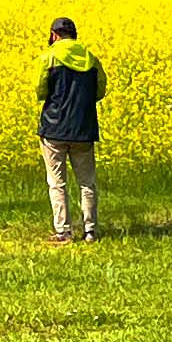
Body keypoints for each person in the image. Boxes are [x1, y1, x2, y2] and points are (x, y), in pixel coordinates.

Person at [36, 15, 103, 241]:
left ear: (54, 35)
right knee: (87, 181)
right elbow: (100, 90)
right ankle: (90, 230)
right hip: (83, 128)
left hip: (54, 129)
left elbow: (40, 90)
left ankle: (63, 231)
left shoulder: (49, 57)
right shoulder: (91, 58)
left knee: (57, 183)